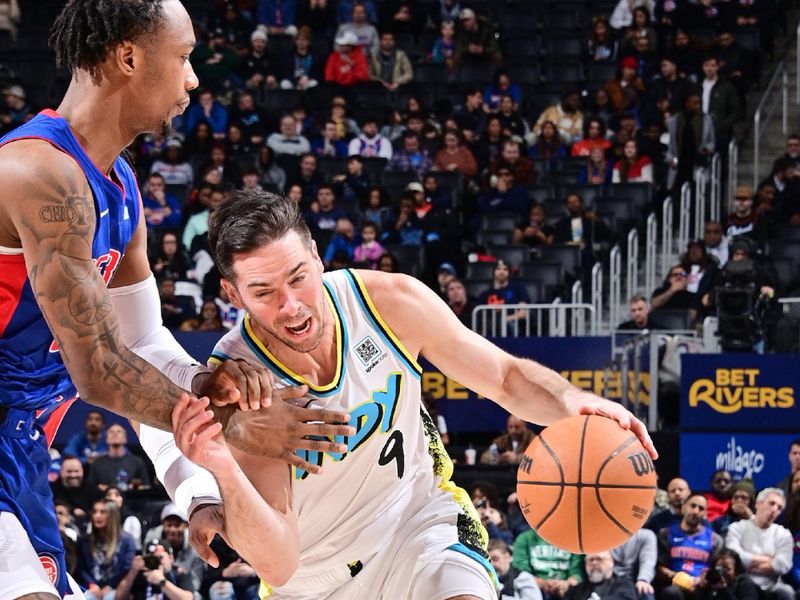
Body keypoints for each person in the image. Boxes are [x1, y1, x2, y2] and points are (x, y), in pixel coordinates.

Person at [0, 3, 354, 598]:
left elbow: (141, 345)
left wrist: (198, 472)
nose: (193, 79)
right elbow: (100, 368)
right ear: (129, 56)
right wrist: (235, 426)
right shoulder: (37, 172)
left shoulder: (120, 188)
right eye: (185, 56)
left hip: (21, 453)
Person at [167, 190, 656, 599]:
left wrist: (570, 401)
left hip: (418, 524)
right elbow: (277, 563)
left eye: (298, 276)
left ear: (316, 256)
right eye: (264, 291)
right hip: (315, 581)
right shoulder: (240, 381)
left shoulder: (388, 302)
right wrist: (225, 470)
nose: (292, 306)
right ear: (233, 295)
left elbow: (504, 377)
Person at [726, 488, 794, 600]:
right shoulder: (737, 528)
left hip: (771, 586)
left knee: (787, 591)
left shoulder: (784, 534)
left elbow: (783, 565)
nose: (774, 509)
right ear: (758, 503)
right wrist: (768, 559)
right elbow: (734, 558)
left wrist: (747, 562)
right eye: (771, 503)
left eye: (779, 507)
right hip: (743, 582)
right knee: (745, 584)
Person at [657, 494, 724, 600]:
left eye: (701, 508)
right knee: (671, 593)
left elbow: (716, 570)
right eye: (692, 506)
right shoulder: (666, 534)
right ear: (684, 507)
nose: (696, 511)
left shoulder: (715, 540)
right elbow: (659, 567)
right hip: (675, 586)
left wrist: (704, 579)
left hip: (703, 587)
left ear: (705, 513)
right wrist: (681, 579)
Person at [76, 499, 137, 600]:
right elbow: (81, 568)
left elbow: (126, 568)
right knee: (87, 597)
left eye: (103, 512)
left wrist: (110, 586)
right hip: (91, 586)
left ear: (112, 516)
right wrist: (91, 584)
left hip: (116, 586)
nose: (97, 516)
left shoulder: (126, 540)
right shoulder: (84, 540)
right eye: (95, 512)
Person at [512, 528, 584, 600]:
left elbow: (577, 572)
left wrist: (567, 584)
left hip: (567, 590)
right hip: (535, 589)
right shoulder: (525, 538)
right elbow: (521, 571)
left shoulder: (574, 539)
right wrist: (541, 583)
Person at [115, 539, 195, 600]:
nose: (156, 562)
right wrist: (133, 570)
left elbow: (189, 598)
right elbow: (119, 597)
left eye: (160, 558)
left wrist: (162, 582)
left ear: (171, 558)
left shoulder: (179, 574)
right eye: (151, 558)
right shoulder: (139, 576)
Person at [86, 424, 151, 494]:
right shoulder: (97, 464)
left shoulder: (137, 462)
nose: (115, 434)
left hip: (132, 501)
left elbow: (146, 487)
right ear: (106, 439)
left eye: (119, 432)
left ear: (125, 439)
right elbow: (91, 490)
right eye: (111, 432)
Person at [565, 551, 637, 600]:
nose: (594, 563)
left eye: (599, 559)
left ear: (611, 562)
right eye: (591, 560)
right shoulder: (576, 589)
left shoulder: (624, 585)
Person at [693, 548, 760, 600]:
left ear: (736, 569)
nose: (722, 572)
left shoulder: (745, 583)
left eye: (727, 569)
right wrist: (702, 588)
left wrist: (723, 590)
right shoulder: (711, 580)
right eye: (719, 568)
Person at [611, 529, 657, 600]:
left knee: (645, 591)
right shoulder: (604, 536)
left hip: (634, 579)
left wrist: (643, 579)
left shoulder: (646, 535)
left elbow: (648, 560)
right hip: (610, 579)